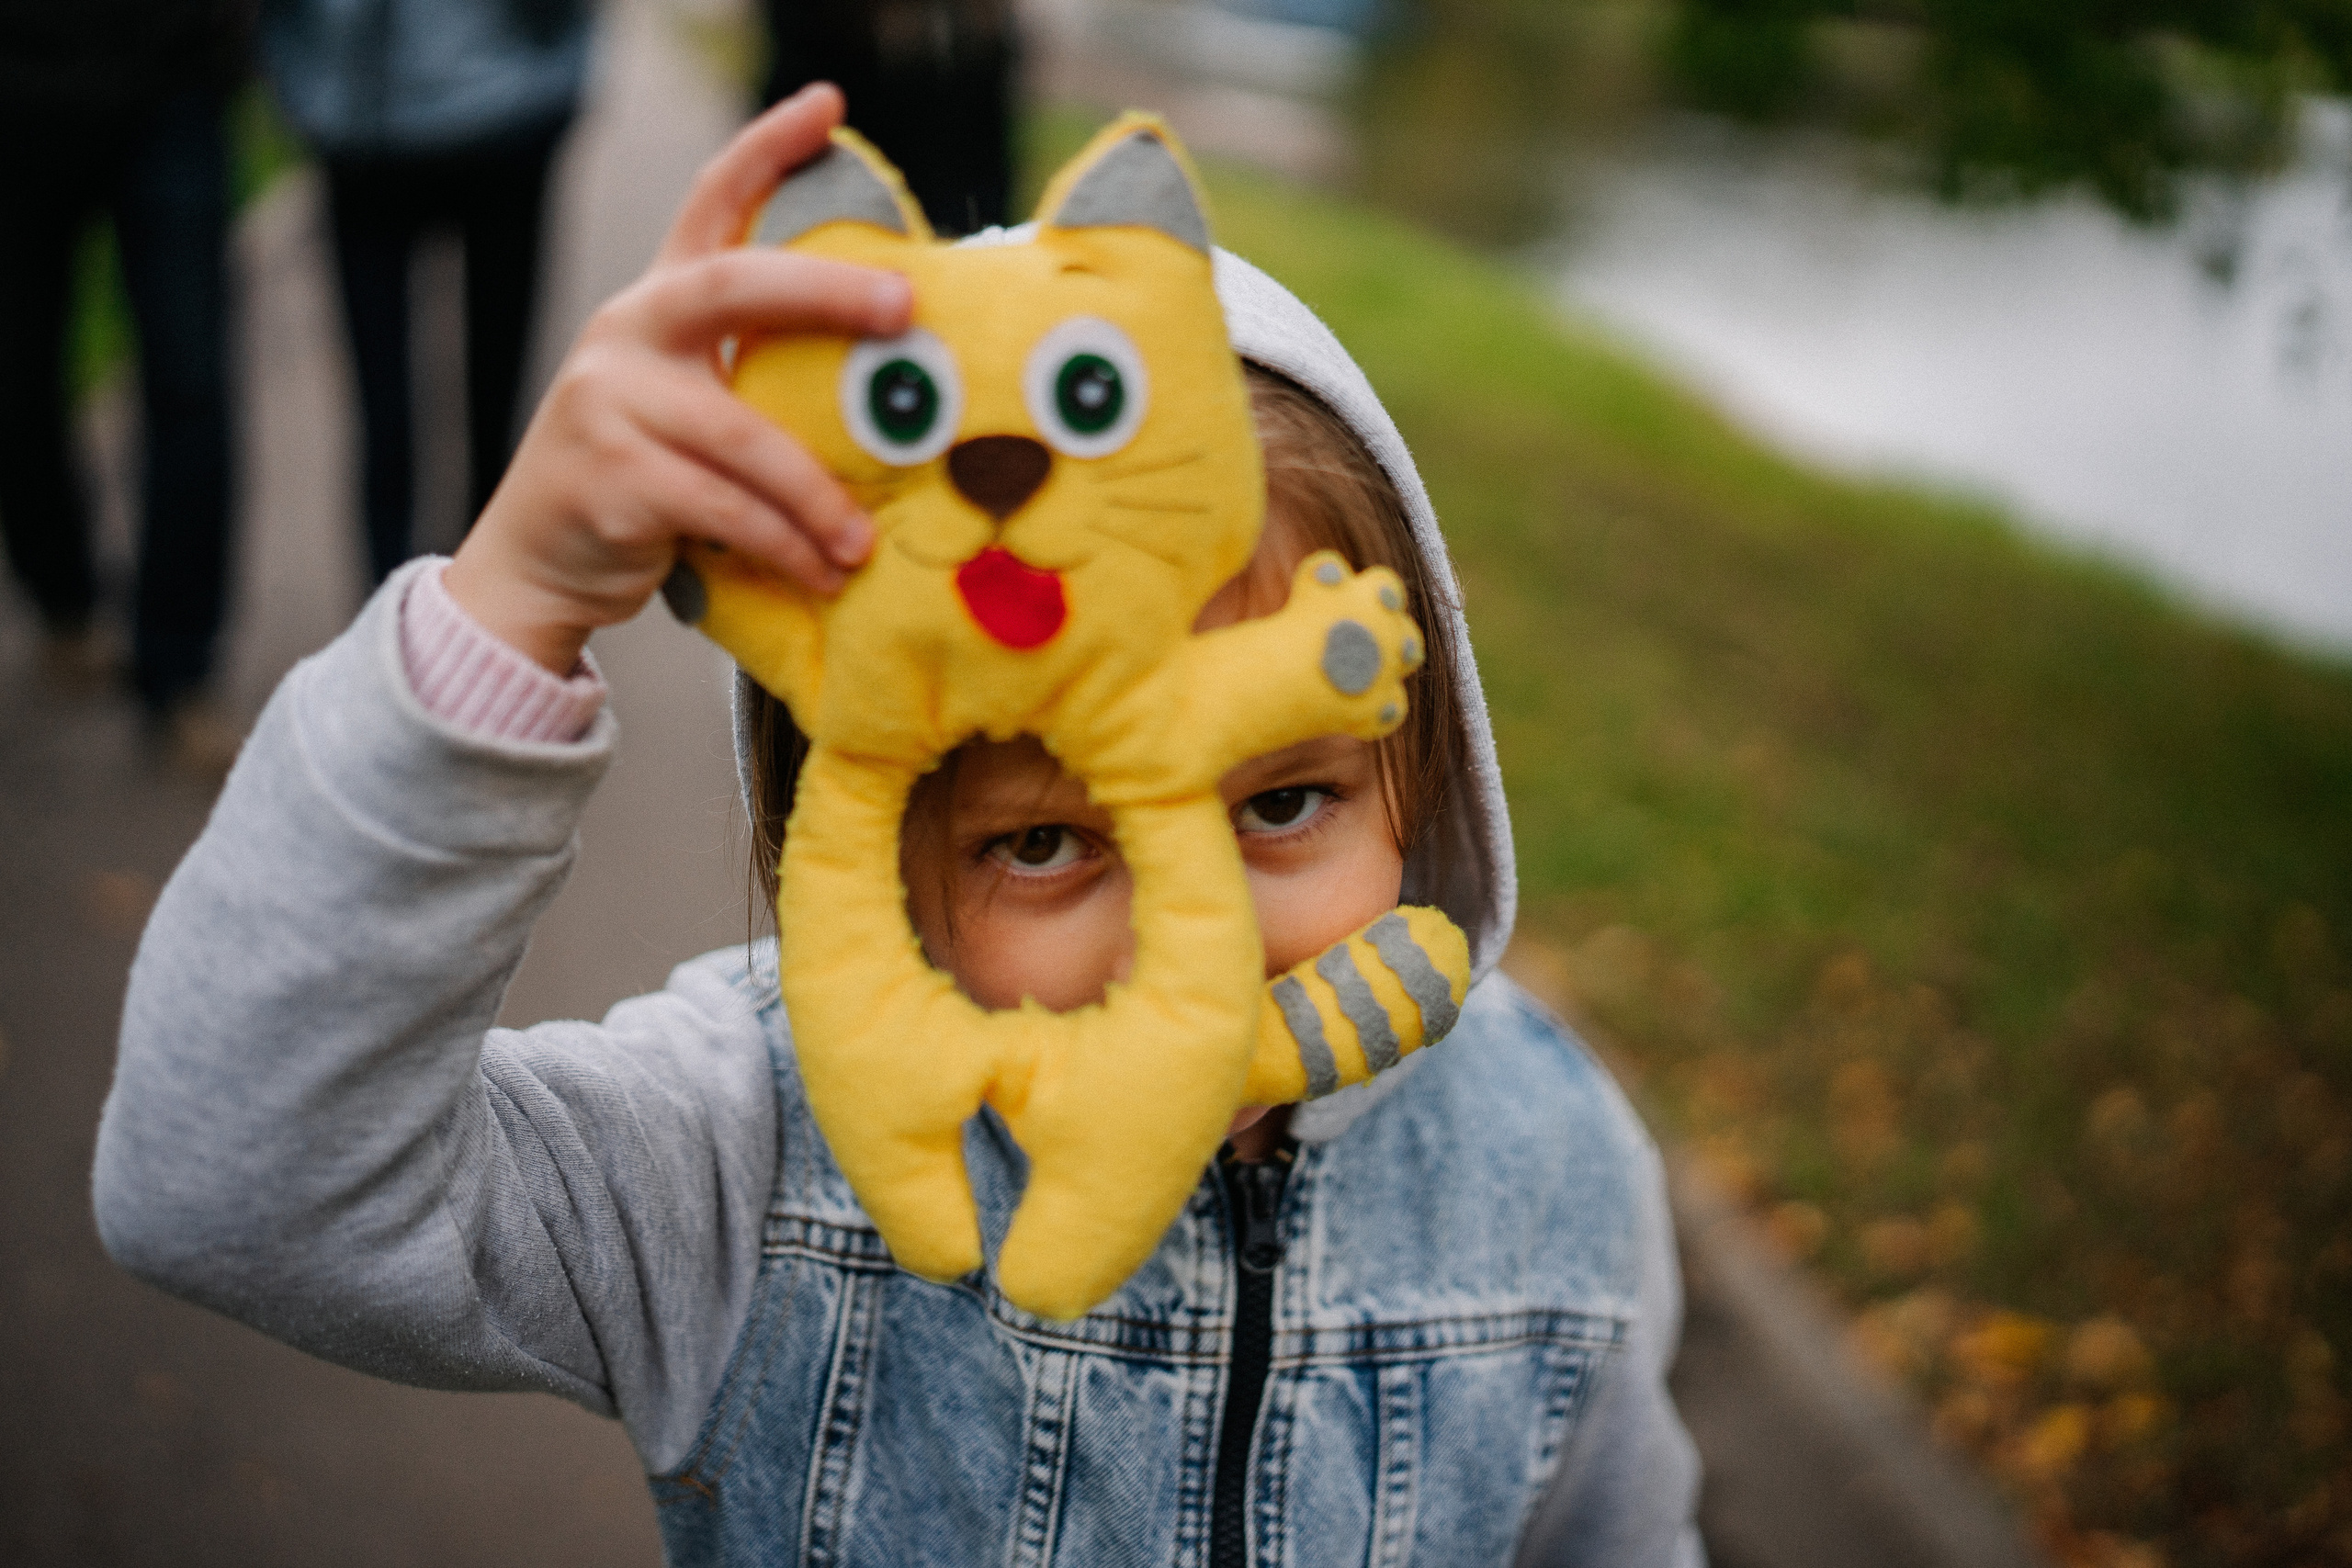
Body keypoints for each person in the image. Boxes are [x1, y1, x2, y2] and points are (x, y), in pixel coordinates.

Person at [94, 88, 1702, 1564]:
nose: (1185, 929)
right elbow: (236, 1188)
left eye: (1285, 801)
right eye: (1042, 843)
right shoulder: (735, 1154)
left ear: (1421, 771)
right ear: (874, 863)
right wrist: (518, 603)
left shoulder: (1552, 1162)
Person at [257, 0, 592, 585]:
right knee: (383, 412)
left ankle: (499, 594)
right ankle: (389, 617)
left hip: (508, 107)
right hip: (355, 117)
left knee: (498, 402)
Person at [0, 0, 247, 764]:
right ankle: (63, 594)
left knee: (193, 383)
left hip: (172, 82)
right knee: (18, 376)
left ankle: (179, 671)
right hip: (15, 93)